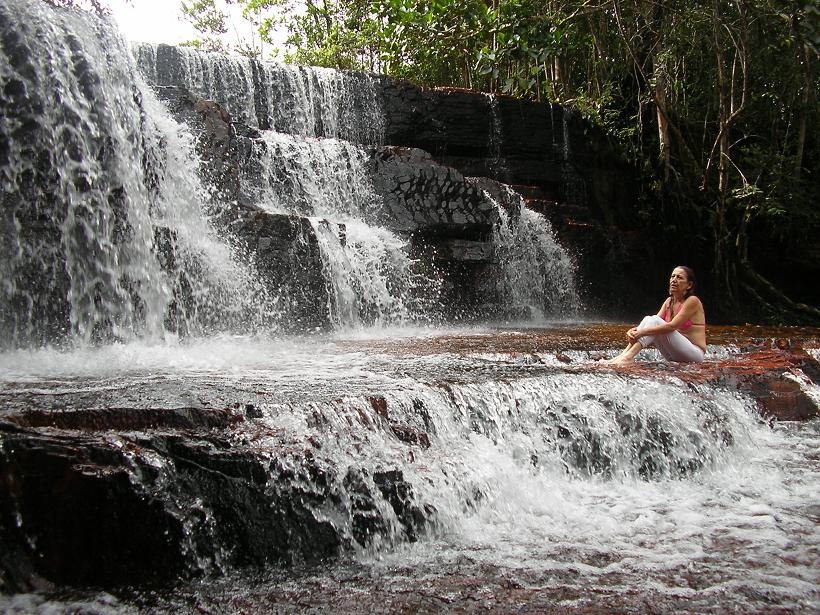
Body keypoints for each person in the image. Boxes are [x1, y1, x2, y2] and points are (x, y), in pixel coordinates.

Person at [605, 266, 706, 364]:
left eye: (679, 277)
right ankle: (623, 356)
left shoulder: (693, 301)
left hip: (694, 355)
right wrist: (634, 331)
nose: (674, 280)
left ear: (689, 285)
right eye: (672, 276)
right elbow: (652, 322)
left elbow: (672, 326)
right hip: (674, 355)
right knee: (649, 318)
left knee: (654, 321)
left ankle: (628, 357)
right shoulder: (669, 301)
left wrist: (641, 332)